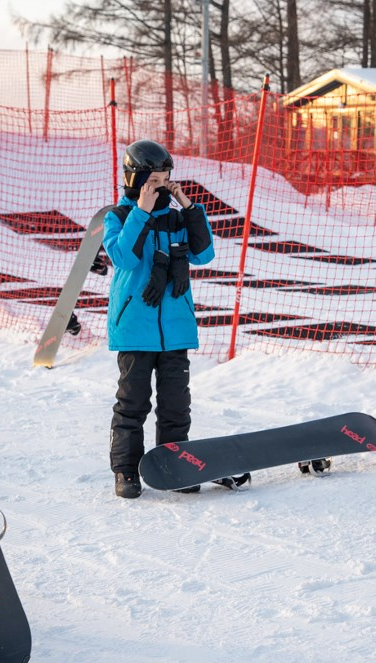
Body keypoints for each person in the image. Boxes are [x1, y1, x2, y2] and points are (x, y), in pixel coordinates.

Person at [103, 139, 215, 498]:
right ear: (135, 180)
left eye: (166, 180)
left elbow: (204, 254)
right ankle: (126, 471)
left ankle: (175, 465)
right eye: (153, 181)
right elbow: (124, 257)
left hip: (175, 329)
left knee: (176, 406)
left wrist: (189, 207)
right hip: (135, 328)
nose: (161, 188)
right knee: (132, 404)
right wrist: (142, 211)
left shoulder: (177, 218)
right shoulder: (119, 217)